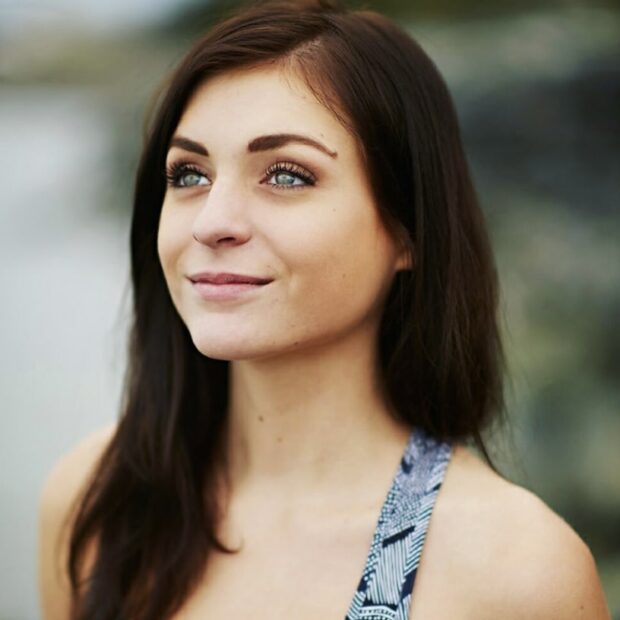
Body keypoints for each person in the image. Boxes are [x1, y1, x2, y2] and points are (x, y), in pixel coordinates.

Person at [38, 1, 612, 619]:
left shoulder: (514, 571)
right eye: (189, 174)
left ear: (408, 230)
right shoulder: (99, 499)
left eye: (286, 175)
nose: (212, 222)